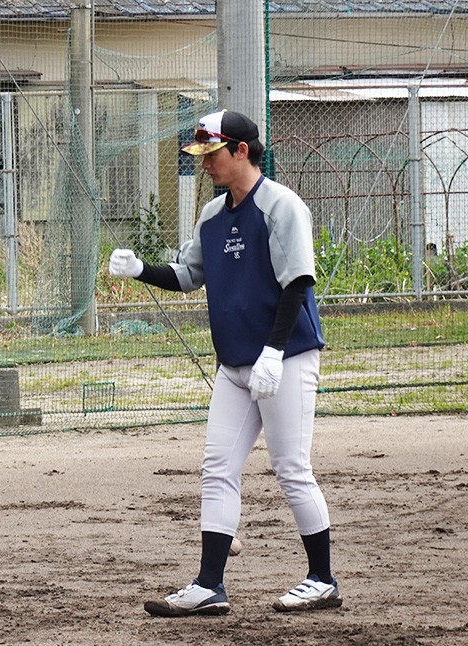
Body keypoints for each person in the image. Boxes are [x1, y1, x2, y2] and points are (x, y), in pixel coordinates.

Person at [108, 110, 340, 616]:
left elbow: (297, 282)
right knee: (217, 469)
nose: (205, 164)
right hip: (234, 364)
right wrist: (140, 269)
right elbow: (189, 276)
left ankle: (323, 580)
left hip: (286, 357)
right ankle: (210, 585)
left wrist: (274, 351)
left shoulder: (281, 205)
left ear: (241, 150)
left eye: (212, 154)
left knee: (291, 468)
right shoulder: (212, 215)